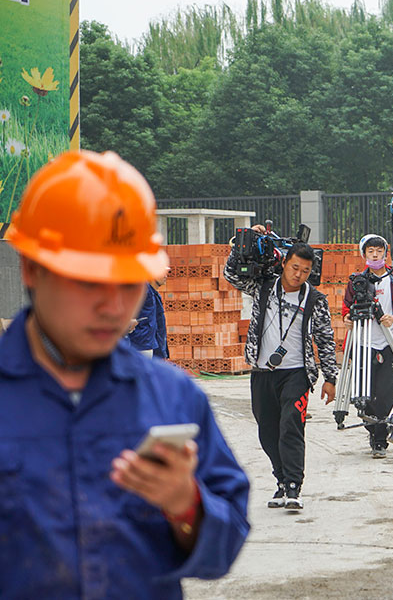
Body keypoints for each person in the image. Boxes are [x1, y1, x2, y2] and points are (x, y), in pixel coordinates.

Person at [0, 150, 249, 596]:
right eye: (89, 282)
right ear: (33, 269)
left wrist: (185, 504)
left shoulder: (172, 398)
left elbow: (224, 547)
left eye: (129, 283)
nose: (114, 307)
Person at [224, 227, 339, 509]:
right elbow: (231, 274)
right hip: (263, 371)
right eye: (295, 267)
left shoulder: (315, 300)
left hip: (297, 373)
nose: (299, 274)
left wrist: (330, 377)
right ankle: (280, 478)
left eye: (306, 270)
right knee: (267, 430)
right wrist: (241, 245)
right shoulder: (264, 288)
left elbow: (325, 338)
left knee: (291, 426)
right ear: (285, 264)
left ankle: (293, 486)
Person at [342, 234, 393, 458]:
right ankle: (373, 429)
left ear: (386, 253)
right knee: (364, 396)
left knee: (384, 395)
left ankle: (380, 439)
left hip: (388, 343)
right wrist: (347, 318)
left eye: (378, 251)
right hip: (363, 343)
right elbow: (347, 308)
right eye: (370, 251)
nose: (375, 255)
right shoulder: (356, 280)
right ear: (363, 254)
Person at [128, 276, 169, 359]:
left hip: (149, 343)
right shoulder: (143, 290)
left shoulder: (153, 294)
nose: (165, 276)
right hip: (140, 343)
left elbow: (158, 323)